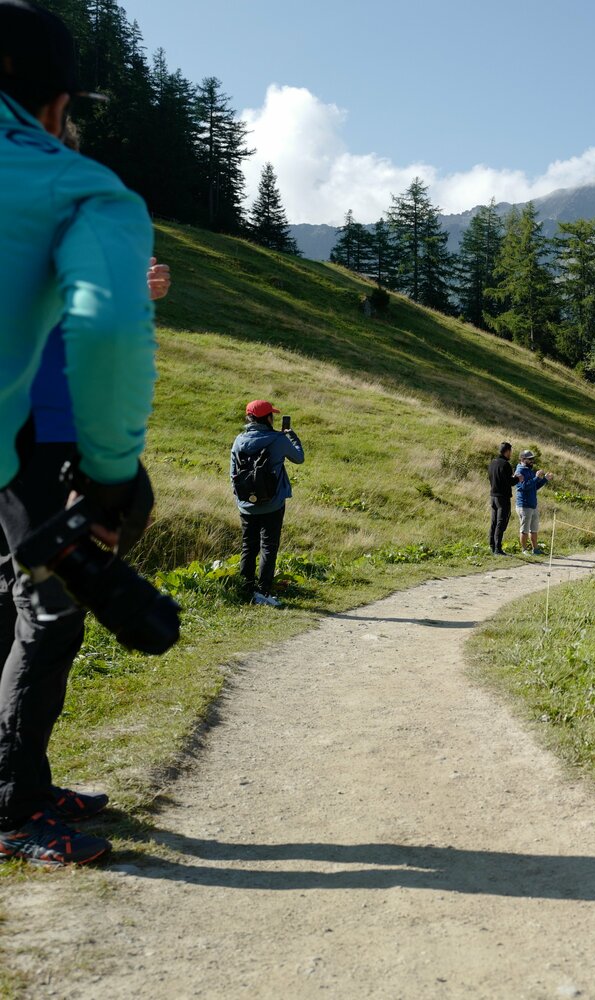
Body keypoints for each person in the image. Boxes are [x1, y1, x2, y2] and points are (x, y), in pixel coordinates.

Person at [0, 0, 160, 867]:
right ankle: (16, 806)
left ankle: (18, 780)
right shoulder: (71, 187)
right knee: (48, 618)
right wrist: (108, 481)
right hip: (37, 450)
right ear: (57, 104)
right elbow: (102, 333)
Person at [230, 401, 305, 606]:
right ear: (268, 418)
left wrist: (243, 499)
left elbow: (233, 475)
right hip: (273, 504)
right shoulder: (278, 439)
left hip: (246, 505)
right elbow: (299, 458)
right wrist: (292, 436)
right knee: (269, 548)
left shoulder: (238, 440)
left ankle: (246, 590)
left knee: (248, 546)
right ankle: (263, 593)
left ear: (249, 418)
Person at [512, 450, 551, 555]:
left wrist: (544, 479)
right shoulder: (519, 471)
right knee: (524, 529)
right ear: (523, 459)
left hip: (533, 505)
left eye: (533, 459)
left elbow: (534, 487)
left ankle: (535, 549)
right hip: (524, 505)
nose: (532, 461)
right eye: (530, 459)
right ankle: (524, 550)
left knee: (534, 529)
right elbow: (523, 486)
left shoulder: (529, 470)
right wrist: (536, 478)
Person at [486, 442, 518, 554]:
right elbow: (509, 482)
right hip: (503, 497)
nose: (511, 454)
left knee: (494, 522)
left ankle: (492, 545)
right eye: (510, 452)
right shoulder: (505, 464)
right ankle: (497, 549)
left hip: (493, 496)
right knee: (501, 522)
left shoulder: (492, 463)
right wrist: (518, 478)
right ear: (507, 451)